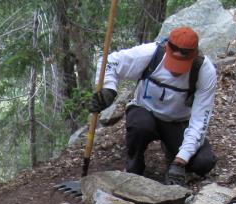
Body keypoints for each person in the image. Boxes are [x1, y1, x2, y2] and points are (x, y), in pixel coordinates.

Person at [89, 26, 217, 185]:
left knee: (203, 162)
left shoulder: (204, 71)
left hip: (177, 122)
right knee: (140, 126)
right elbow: (108, 61)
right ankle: (134, 167)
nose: (175, 71)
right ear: (166, 49)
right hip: (145, 112)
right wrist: (109, 89)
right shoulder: (151, 54)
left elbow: (199, 121)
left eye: (181, 64)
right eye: (173, 63)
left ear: (194, 55)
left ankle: (173, 154)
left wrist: (181, 160)